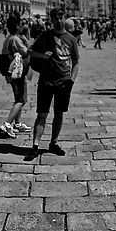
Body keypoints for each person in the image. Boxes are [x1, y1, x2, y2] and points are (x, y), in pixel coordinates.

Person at [28, 13, 79, 159]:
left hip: (63, 81)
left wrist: (71, 80)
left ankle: (53, 143)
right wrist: (43, 55)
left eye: (61, 18)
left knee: (59, 113)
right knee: (42, 114)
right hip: (46, 80)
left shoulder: (71, 39)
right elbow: (30, 51)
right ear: (52, 20)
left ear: (64, 19)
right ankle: (35, 146)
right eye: (56, 18)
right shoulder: (45, 36)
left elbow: (76, 62)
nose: (59, 21)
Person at [0, 15, 31, 137]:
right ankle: (7, 123)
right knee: (21, 99)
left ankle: (18, 123)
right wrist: (26, 41)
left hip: (10, 72)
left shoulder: (8, 38)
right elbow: (26, 52)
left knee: (18, 97)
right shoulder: (16, 40)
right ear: (17, 26)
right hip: (17, 72)